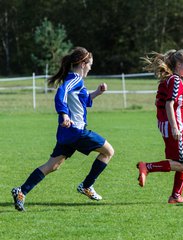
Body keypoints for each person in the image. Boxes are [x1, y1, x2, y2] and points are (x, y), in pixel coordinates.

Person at [11, 47, 115, 211]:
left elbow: (82, 101)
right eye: (90, 65)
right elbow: (61, 92)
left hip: (67, 134)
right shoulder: (74, 79)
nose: (90, 68)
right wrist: (64, 114)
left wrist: (97, 92)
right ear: (82, 63)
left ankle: (21, 191)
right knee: (108, 152)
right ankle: (87, 186)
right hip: (77, 131)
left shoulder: (76, 80)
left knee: (52, 165)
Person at [137, 49, 183, 204]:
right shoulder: (174, 80)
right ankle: (147, 167)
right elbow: (169, 104)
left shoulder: (169, 80)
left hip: (168, 126)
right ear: (179, 64)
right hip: (175, 127)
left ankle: (176, 196)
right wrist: (175, 127)